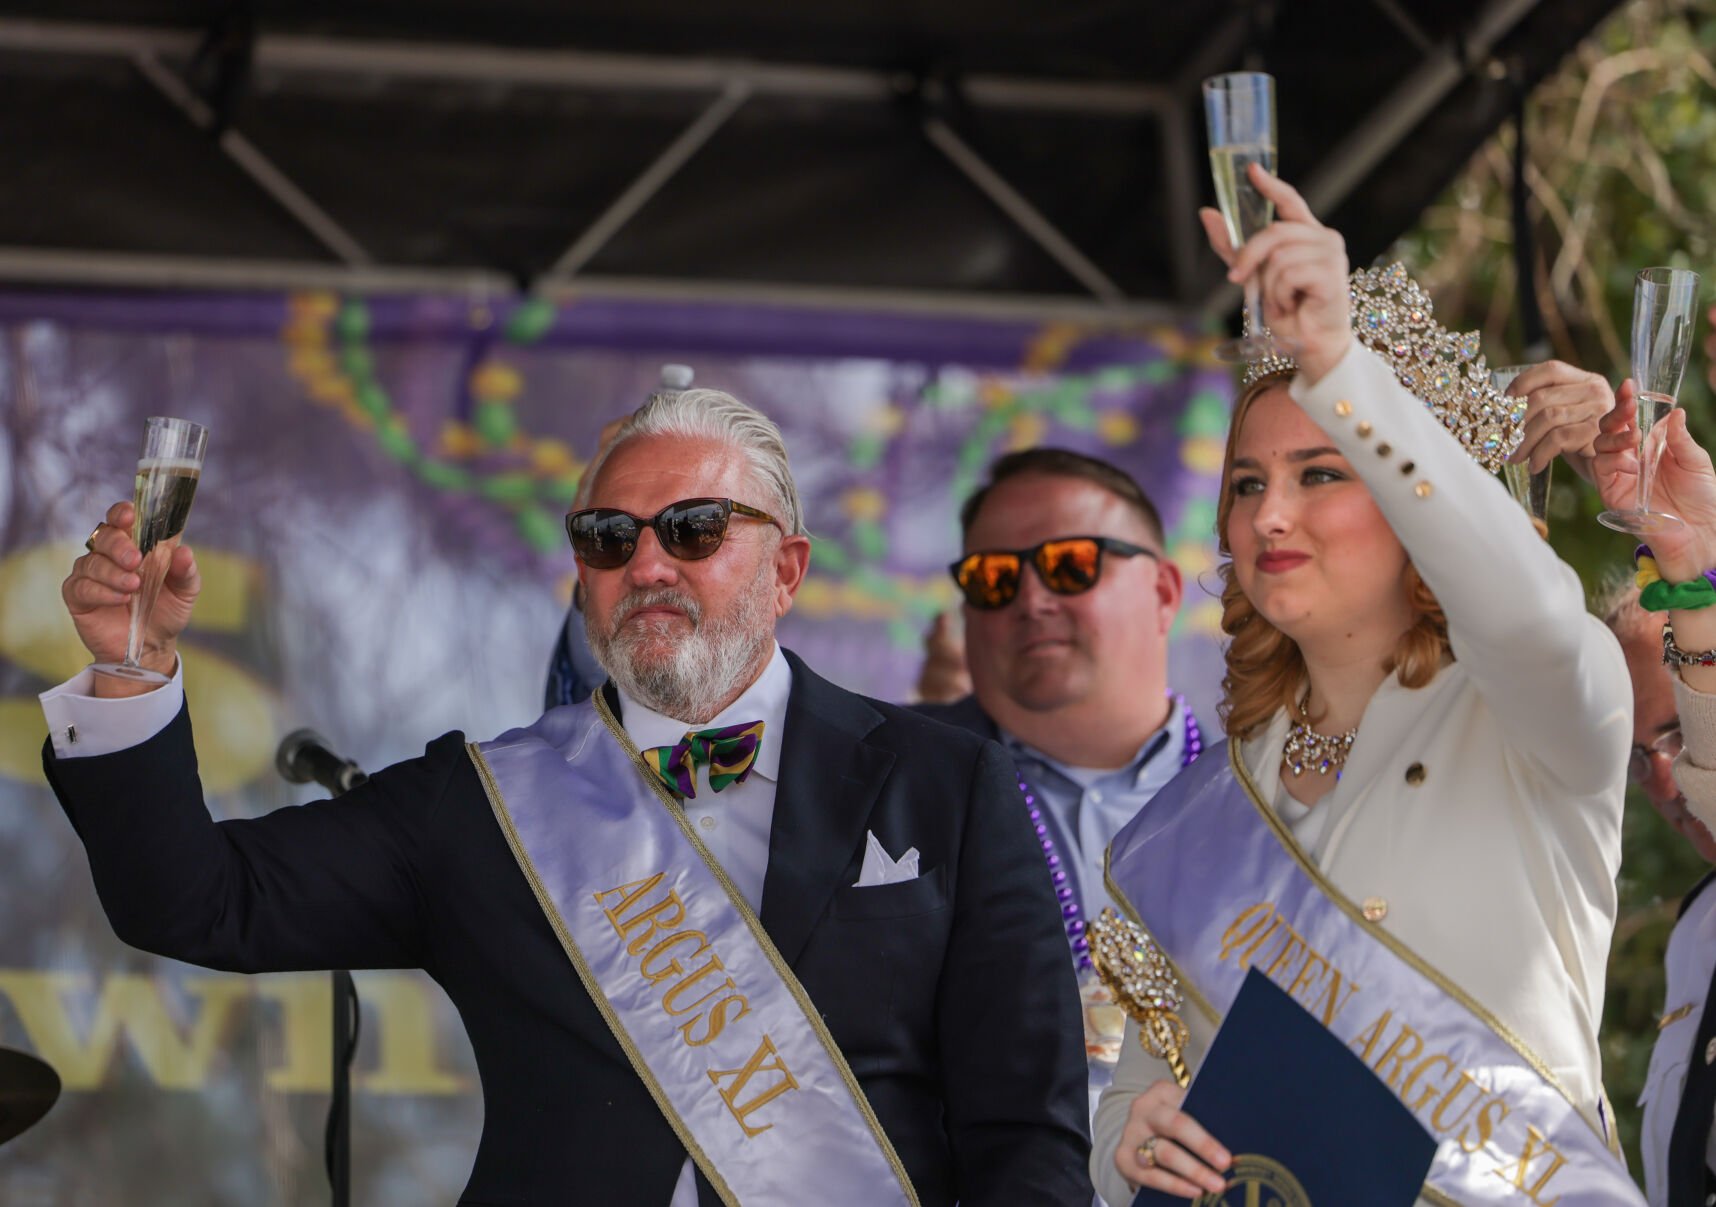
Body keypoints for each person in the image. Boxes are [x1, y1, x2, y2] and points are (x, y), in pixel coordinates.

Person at [43, 389, 1092, 1205]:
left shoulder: (948, 781)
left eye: (692, 529)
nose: (645, 564)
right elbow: (193, 899)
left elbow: (1026, 1132)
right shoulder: (486, 803)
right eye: (607, 537)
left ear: (787, 568)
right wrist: (134, 671)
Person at [1092, 166, 1640, 1205]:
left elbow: (1524, 610)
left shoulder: (1539, 717)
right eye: (1248, 483)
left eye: (1322, 471)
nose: (1270, 517)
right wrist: (1131, 1137)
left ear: (1413, 498)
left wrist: (1337, 363)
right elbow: (1133, 1100)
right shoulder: (1186, 825)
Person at [917, 448, 1197, 981]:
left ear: (1163, 593)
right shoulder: (891, 783)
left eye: (1070, 565)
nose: (1031, 600)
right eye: (994, 576)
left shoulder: (1261, 788)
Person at [1592, 388, 1716, 1206]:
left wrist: (1692, 580)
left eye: (1679, 733)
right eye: (1639, 757)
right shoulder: (1695, 933)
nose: (1664, 780)